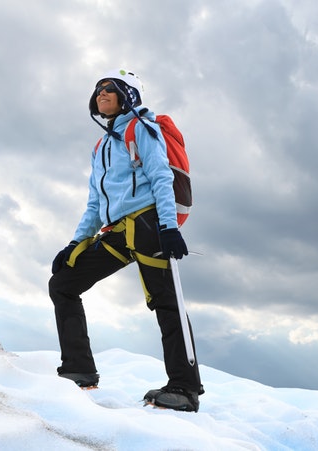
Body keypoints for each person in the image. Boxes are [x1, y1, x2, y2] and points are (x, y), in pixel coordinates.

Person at [48, 69, 202, 412]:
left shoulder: (142, 129)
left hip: (148, 225)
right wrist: (75, 243)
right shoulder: (101, 145)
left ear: (128, 96)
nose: (101, 93)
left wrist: (169, 227)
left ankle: (185, 388)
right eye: (98, 89)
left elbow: (161, 176)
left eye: (110, 89)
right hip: (118, 232)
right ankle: (78, 370)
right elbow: (94, 201)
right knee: (63, 283)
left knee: (167, 302)